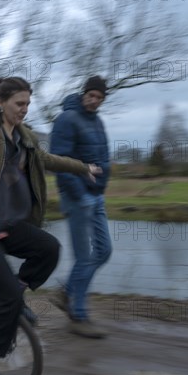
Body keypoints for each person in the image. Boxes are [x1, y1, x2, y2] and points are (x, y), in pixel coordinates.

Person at [0, 77, 101, 375]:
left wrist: (83, 168)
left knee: (49, 249)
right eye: (19, 104)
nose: (24, 109)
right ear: (1, 102)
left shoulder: (24, 136)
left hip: (9, 224)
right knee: (9, 299)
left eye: (28, 104)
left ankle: (14, 295)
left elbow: (47, 159)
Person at [49, 75, 113, 339]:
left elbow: (104, 158)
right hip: (76, 197)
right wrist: (79, 193)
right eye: (91, 95)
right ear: (84, 92)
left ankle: (66, 292)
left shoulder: (97, 121)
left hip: (96, 197)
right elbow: (58, 162)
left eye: (99, 98)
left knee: (104, 251)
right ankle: (79, 315)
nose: (94, 101)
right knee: (84, 257)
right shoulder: (66, 119)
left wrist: (100, 188)